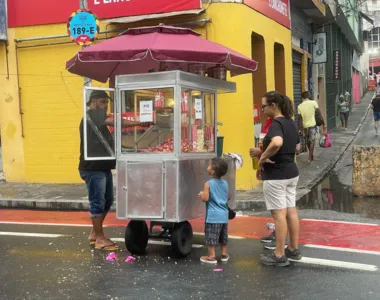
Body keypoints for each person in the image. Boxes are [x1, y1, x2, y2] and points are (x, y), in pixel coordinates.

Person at [79, 90, 152, 251]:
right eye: (104, 102)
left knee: (108, 199)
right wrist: (138, 121)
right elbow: (118, 122)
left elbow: (108, 144)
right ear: (94, 102)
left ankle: (94, 233)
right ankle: (99, 239)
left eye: (106, 103)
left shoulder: (97, 120)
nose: (106, 106)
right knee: (97, 202)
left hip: (102, 166)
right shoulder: (93, 114)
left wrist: (130, 150)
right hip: (93, 168)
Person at [258, 91, 302, 267]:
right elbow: (297, 147)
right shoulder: (291, 122)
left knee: (279, 214)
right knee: (291, 211)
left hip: (276, 175)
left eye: (264, 106)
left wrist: (262, 156)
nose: (262, 110)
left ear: (273, 106)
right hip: (292, 172)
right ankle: (293, 248)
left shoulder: (276, 123)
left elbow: (276, 142)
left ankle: (279, 254)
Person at [198, 158, 230, 264]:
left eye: (209, 165)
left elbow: (205, 198)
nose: (207, 167)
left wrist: (201, 195)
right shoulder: (225, 183)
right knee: (223, 236)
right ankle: (224, 254)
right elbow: (228, 197)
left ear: (212, 171)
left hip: (213, 216)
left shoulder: (208, 184)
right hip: (224, 216)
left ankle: (211, 256)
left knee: (211, 236)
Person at [298, 91, 318, 164]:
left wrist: (300, 129)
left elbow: (300, 119)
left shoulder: (299, 106)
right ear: (309, 96)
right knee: (312, 141)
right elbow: (318, 113)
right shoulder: (314, 102)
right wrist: (323, 123)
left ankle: (311, 155)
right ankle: (310, 156)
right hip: (312, 125)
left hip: (305, 127)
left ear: (302, 97)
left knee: (307, 141)